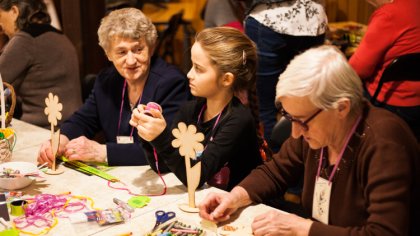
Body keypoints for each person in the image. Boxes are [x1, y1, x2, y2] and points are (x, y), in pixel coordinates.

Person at [199, 45, 420, 235]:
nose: (295, 133)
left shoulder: (385, 143)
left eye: (302, 121)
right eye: (289, 118)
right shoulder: (317, 129)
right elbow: (275, 171)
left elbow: (385, 232)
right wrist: (235, 197)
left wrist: (302, 229)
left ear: (341, 107)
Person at [37, 8, 189, 167]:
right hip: (118, 176)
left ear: (151, 48)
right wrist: (61, 139)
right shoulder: (106, 80)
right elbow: (84, 119)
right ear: (108, 54)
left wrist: (102, 152)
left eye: (138, 49)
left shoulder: (172, 83)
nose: (131, 61)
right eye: (122, 52)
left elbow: (169, 149)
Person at [130, 27, 269, 190]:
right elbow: (166, 166)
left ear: (226, 79)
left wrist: (161, 137)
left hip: (243, 207)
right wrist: (148, 133)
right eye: (191, 66)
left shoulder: (238, 120)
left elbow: (195, 179)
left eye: (198, 69)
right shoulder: (190, 111)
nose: (189, 74)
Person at [243, 0, 327, 151]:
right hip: (312, 19)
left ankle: (274, 166)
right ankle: (309, 162)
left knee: (266, 108)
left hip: (269, 19)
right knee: (310, 102)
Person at [0, 0, 82, 128]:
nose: (1, 25)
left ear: (14, 11)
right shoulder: (60, 36)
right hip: (74, 125)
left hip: (44, 129)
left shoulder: (25, 40)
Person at [349, 0, 420, 141]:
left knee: (338, 90)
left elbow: (357, 70)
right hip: (416, 102)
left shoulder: (389, 15)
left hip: (391, 103)